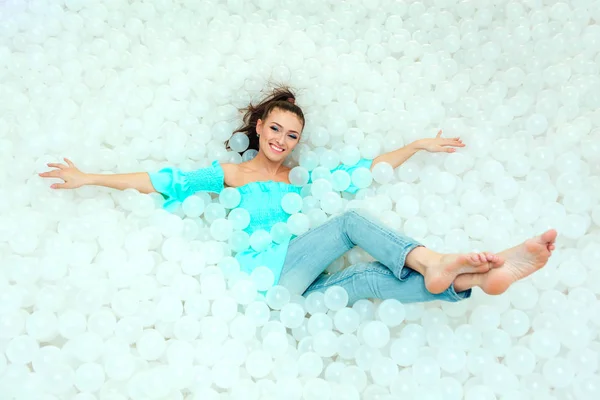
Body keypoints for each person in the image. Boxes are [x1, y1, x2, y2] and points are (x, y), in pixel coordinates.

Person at [39, 87, 557, 305]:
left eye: (292, 136)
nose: (282, 141)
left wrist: (416, 146)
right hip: (262, 273)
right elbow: (161, 181)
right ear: (260, 125)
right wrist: (90, 178)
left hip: (293, 296)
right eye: (277, 129)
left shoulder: (302, 179)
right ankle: (438, 262)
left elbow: (363, 170)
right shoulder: (233, 175)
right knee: (352, 222)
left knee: (374, 281)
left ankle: (472, 280)